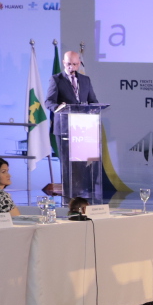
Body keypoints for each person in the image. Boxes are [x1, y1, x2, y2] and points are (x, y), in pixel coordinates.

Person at [46, 50, 102, 201]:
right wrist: (59, 107)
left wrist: (95, 108)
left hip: (83, 129)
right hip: (64, 129)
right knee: (68, 165)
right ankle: (68, 198)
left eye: (75, 64)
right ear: (64, 63)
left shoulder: (85, 80)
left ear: (79, 63)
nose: (72, 67)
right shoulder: (56, 79)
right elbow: (48, 102)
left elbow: (93, 101)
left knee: (83, 165)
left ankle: (84, 196)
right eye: (69, 64)